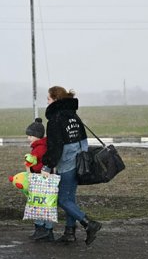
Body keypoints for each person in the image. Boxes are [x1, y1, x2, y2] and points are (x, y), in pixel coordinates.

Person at [36, 86, 102, 245]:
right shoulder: (73, 116)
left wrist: (47, 166)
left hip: (66, 164)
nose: (47, 101)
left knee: (61, 199)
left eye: (49, 99)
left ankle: (88, 224)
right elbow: (83, 141)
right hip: (79, 162)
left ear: (55, 100)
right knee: (70, 198)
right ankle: (69, 232)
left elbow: (56, 146)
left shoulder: (55, 119)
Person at [23, 117, 53, 240]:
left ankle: (40, 229)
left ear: (37, 136)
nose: (28, 138)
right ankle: (48, 230)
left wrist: (32, 168)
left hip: (40, 178)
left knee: (38, 204)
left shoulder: (39, 148)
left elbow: (39, 163)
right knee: (47, 205)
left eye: (30, 135)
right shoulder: (42, 146)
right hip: (46, 178)